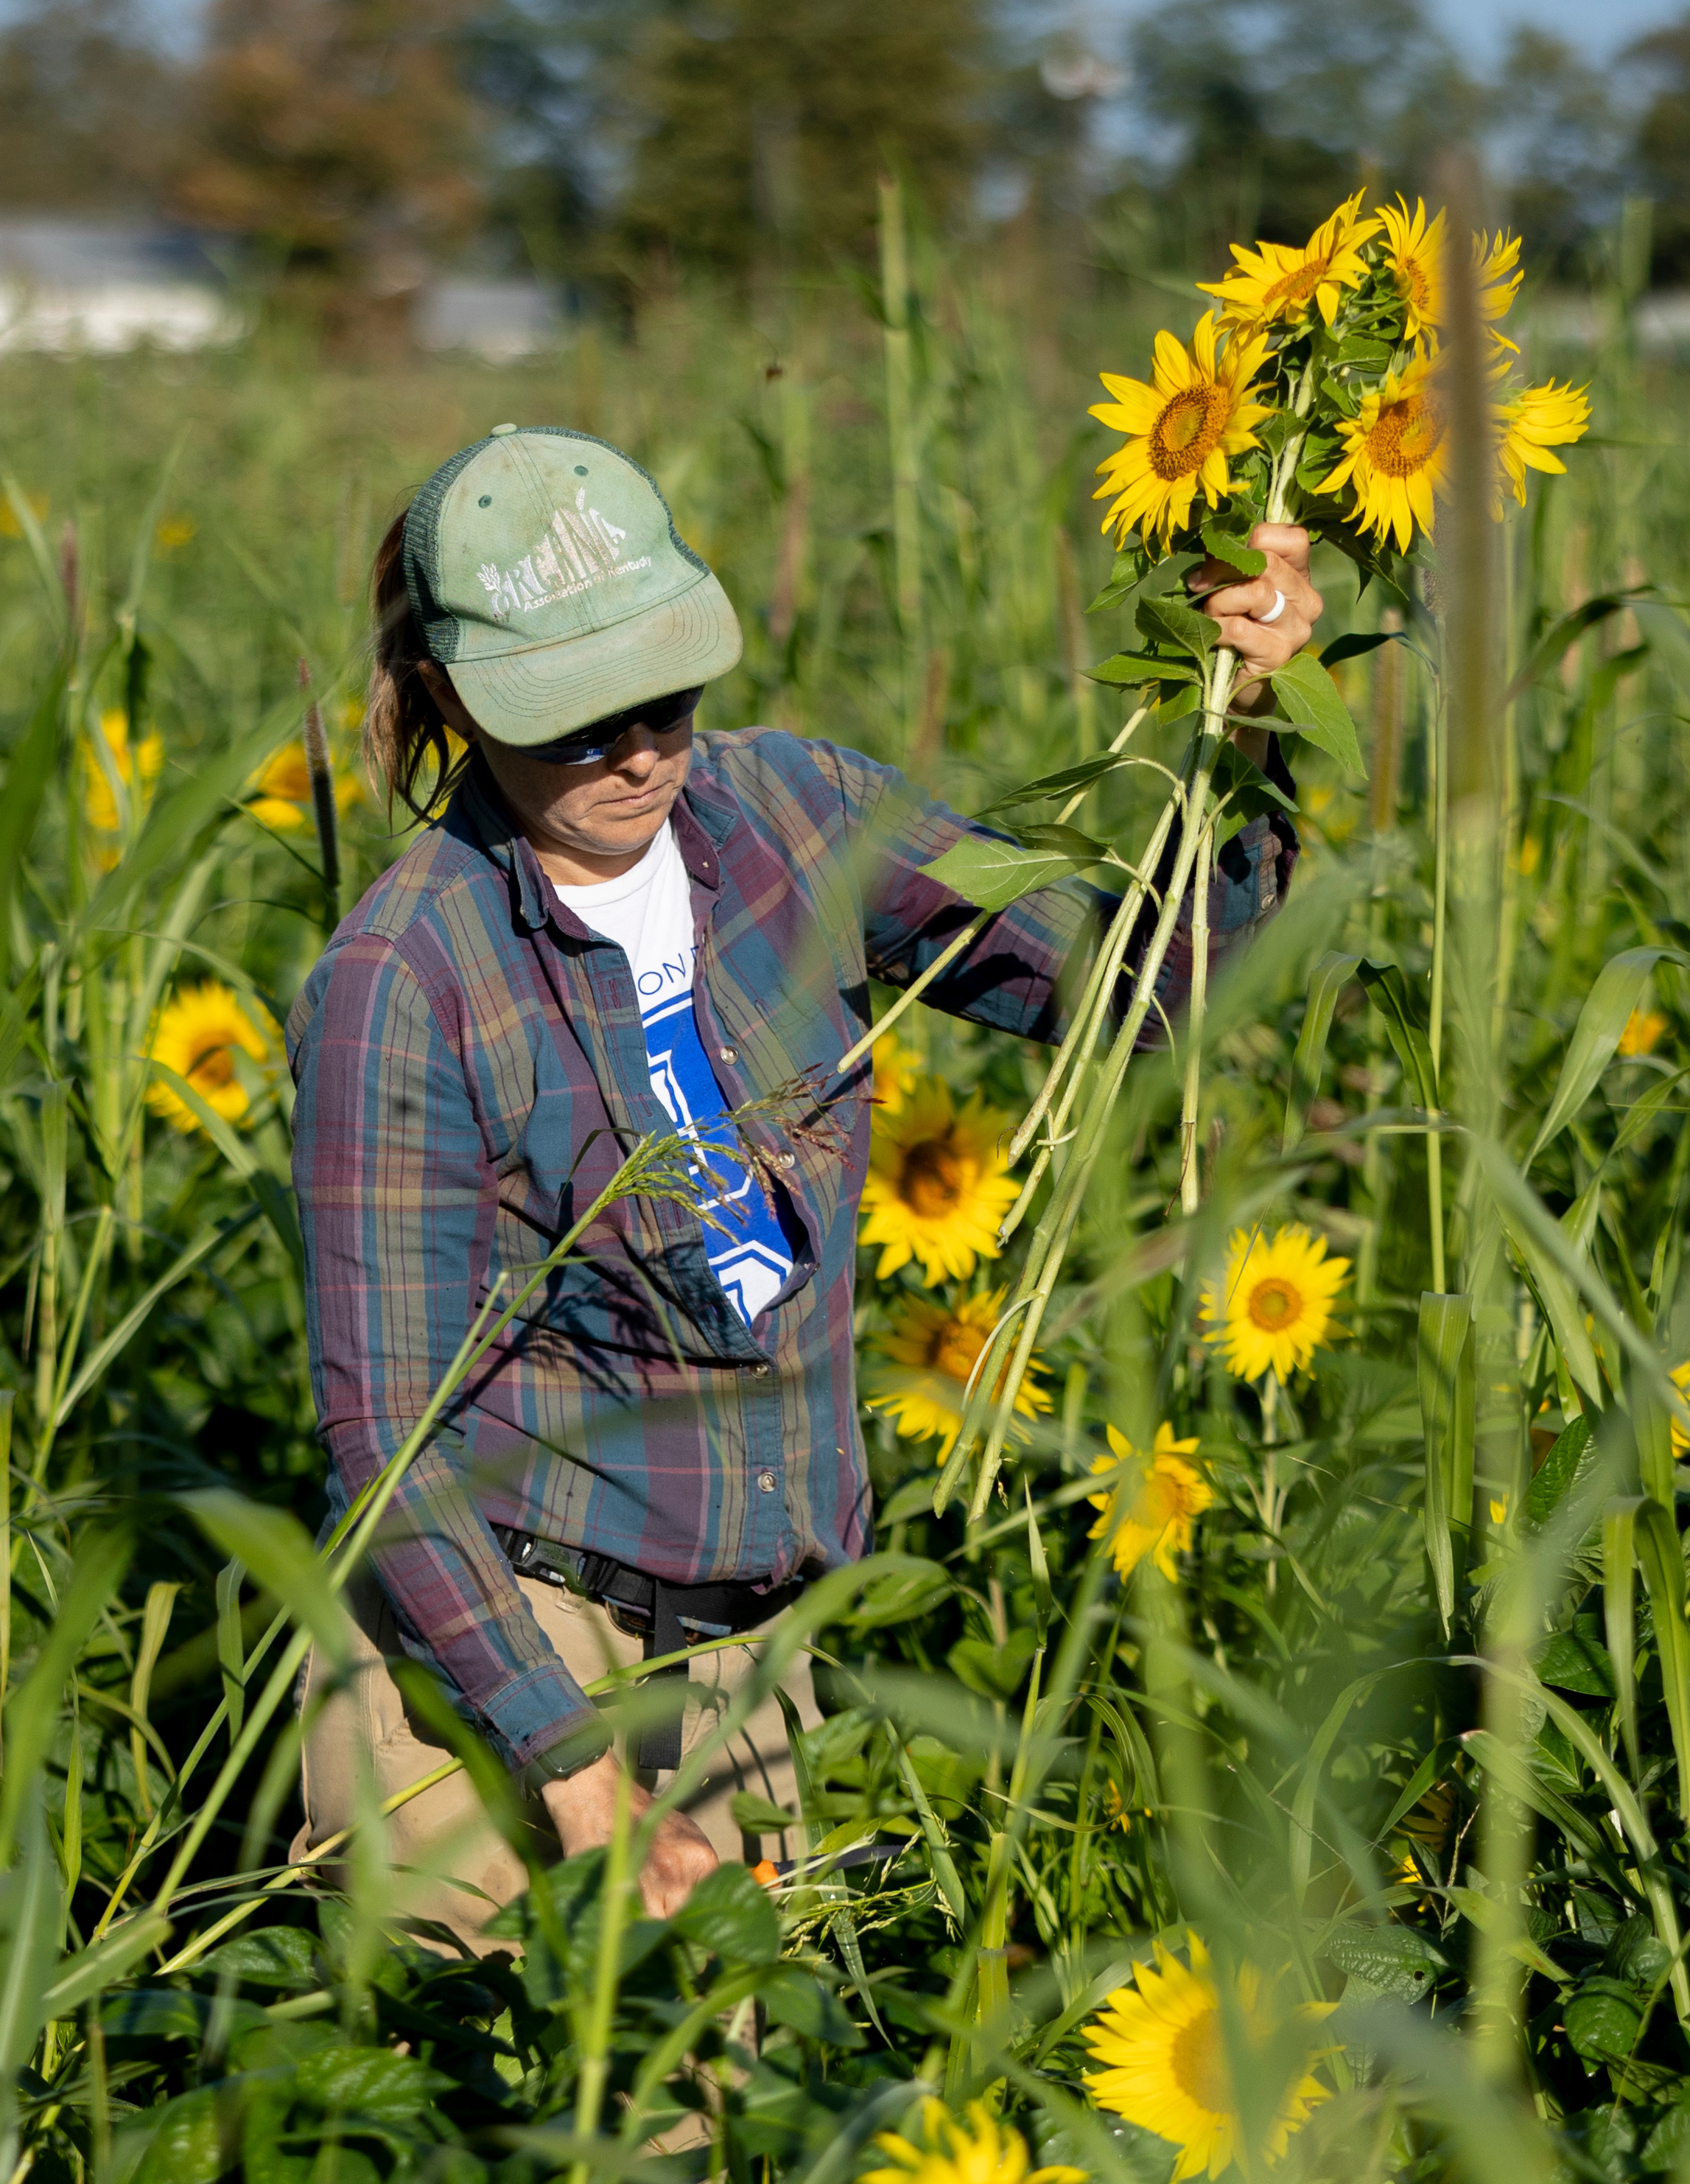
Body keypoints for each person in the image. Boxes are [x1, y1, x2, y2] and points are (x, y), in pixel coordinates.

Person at [290, 421, 1319, 1945]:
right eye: (573, 723)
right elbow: (389, 1437)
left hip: (748, 1658)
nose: (637, 751)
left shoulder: (795, 818)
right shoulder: (406, 977)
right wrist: (576, 1778)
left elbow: (1147, 991)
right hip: (500, 1663)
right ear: (449, 695)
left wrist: (1248, 716)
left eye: (662, 696)